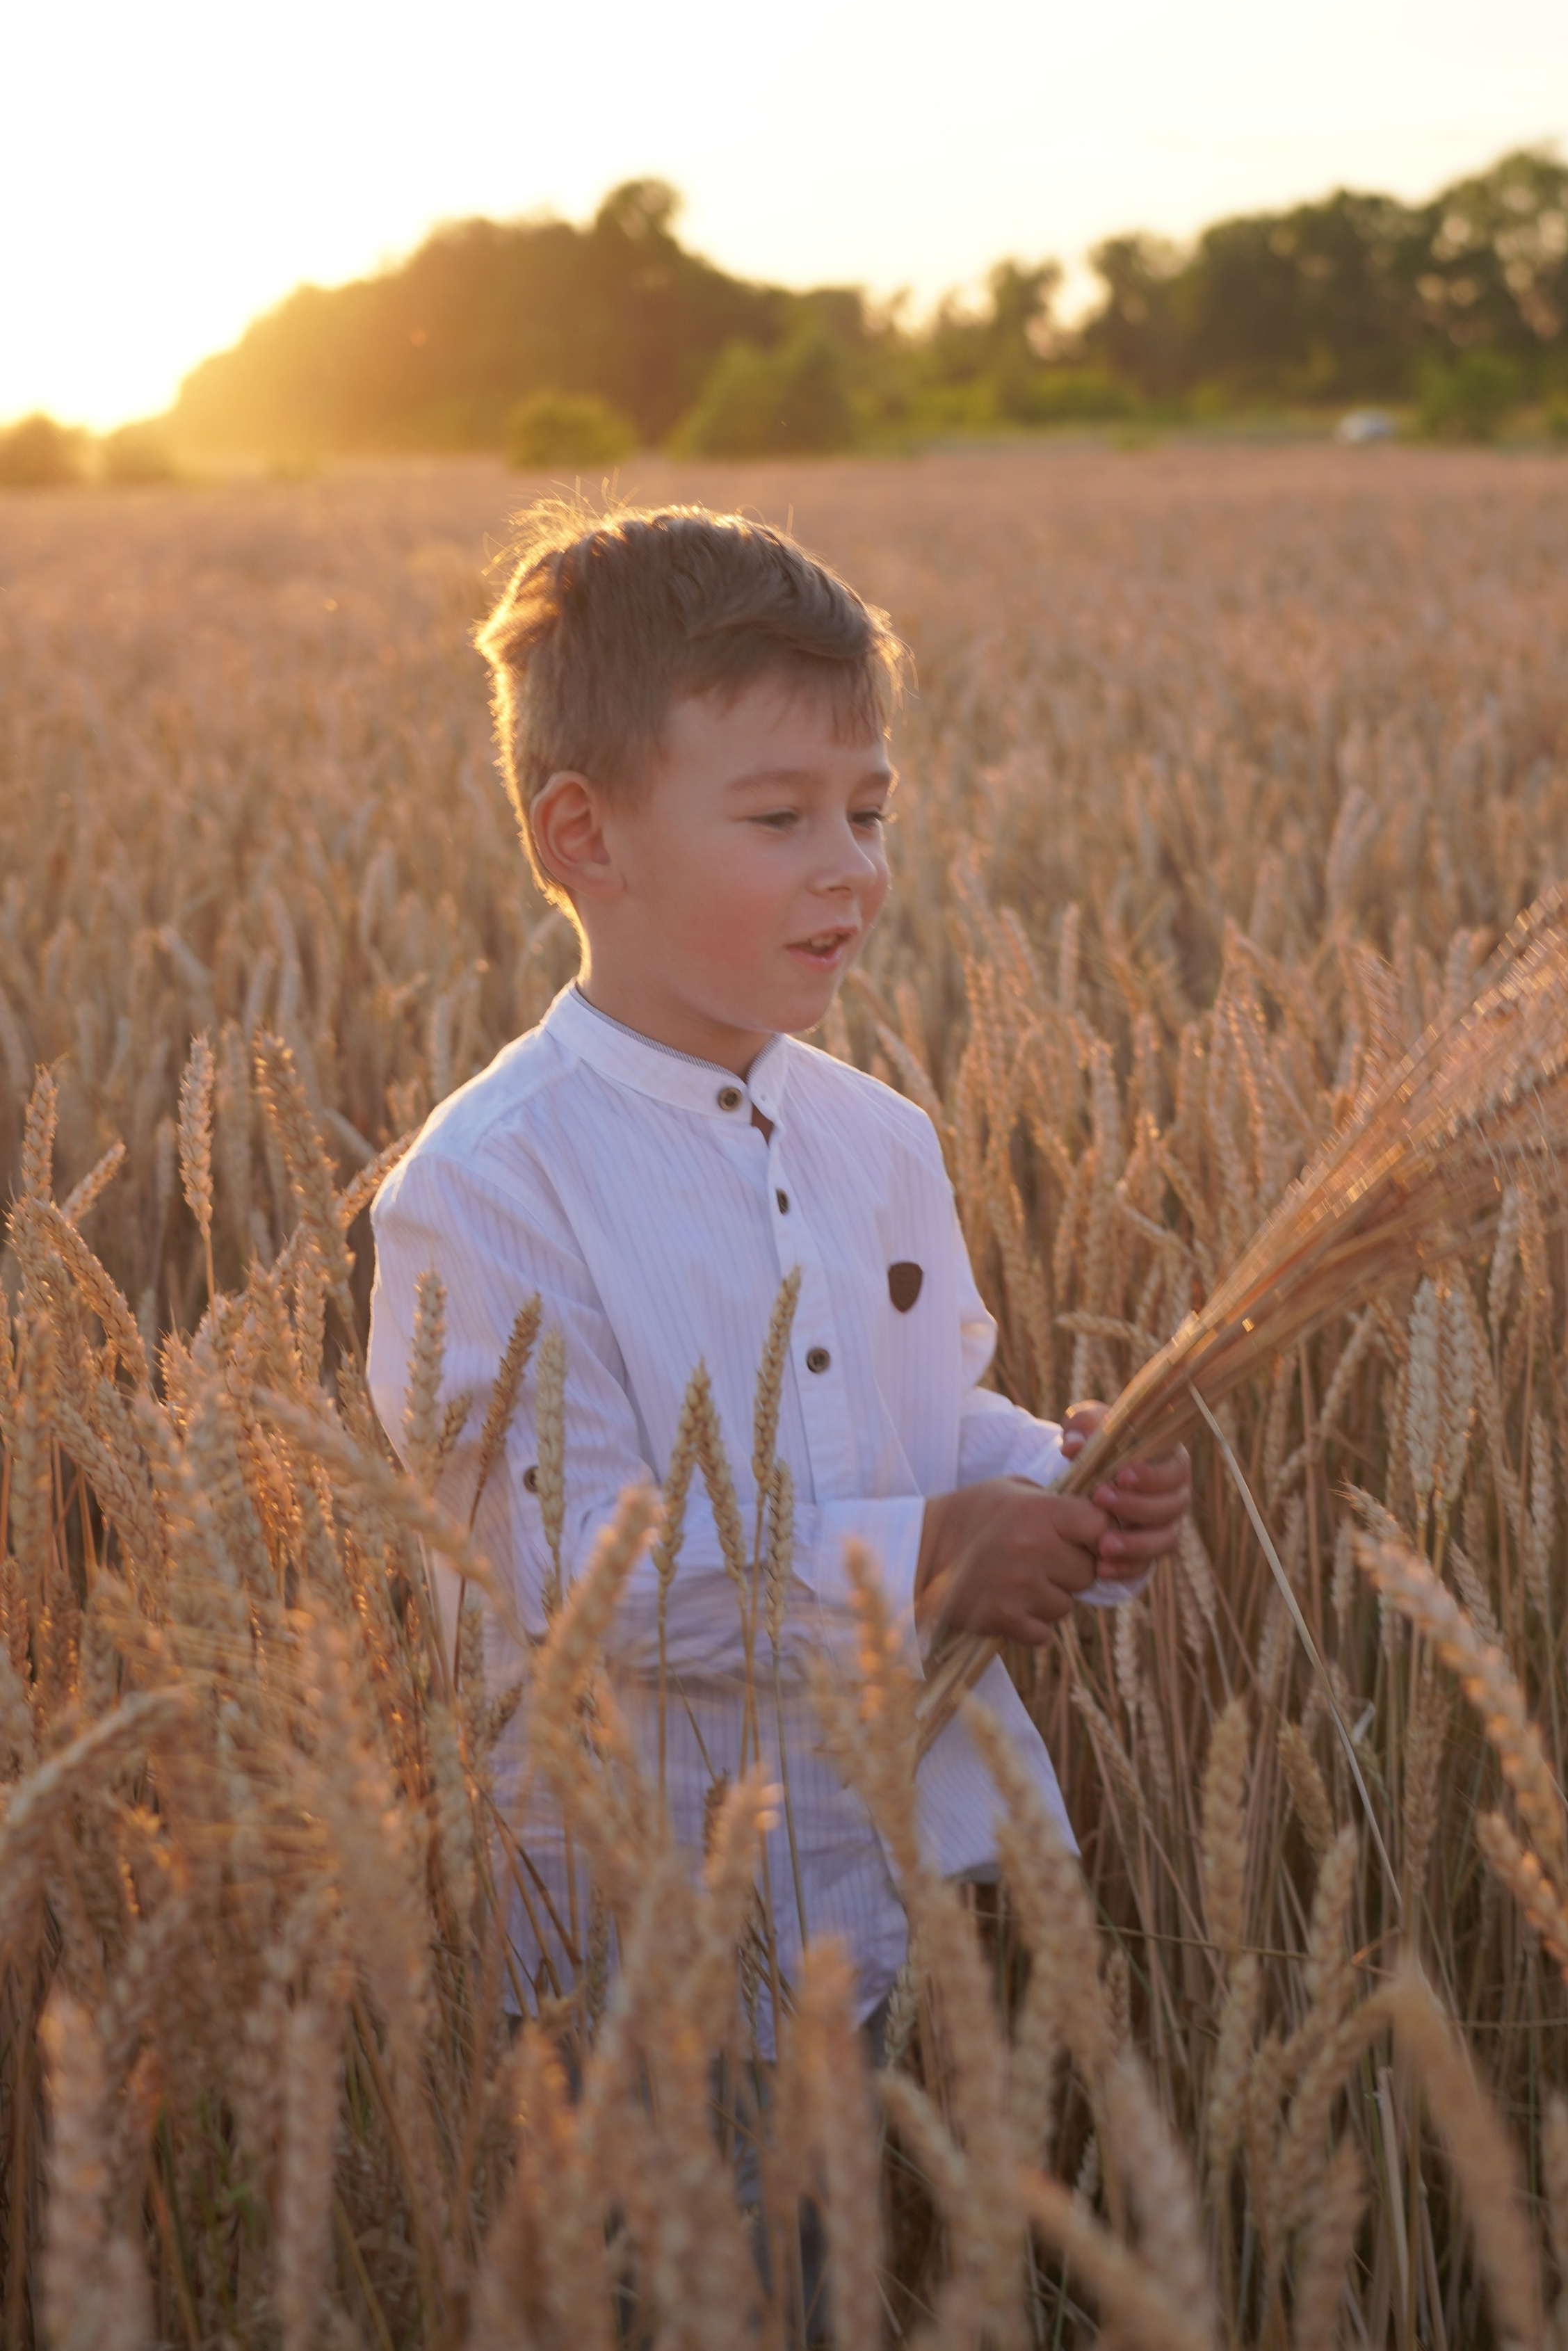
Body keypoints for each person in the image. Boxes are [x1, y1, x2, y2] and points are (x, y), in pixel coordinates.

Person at [364, 499, 1190, 2049]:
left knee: (823, 2285)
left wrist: (1062, 1483)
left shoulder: (879, 1141)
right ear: (581, 836)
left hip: (868, 1895)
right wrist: (940, 1553)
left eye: (866, 814)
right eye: (777, 820)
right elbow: (574, 1573)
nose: (849, 872)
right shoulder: (489, 1189)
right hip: (624, 1941)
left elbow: (917, 1418)